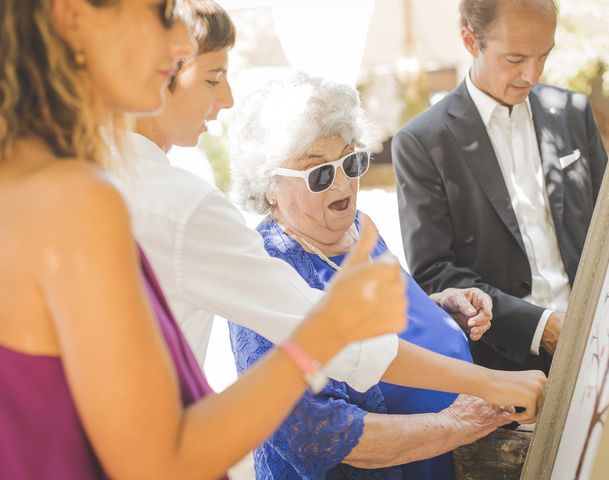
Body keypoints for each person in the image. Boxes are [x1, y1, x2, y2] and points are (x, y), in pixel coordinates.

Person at [0, 1, 411, 478]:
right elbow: (161, 460)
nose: (179, 43)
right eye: (160, 10)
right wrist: (323, 332)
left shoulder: (31, 181)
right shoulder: (81, 199)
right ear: (73, 16)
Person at [120, 3, 546, 424]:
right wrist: (487, 385)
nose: (227, 98)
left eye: (352, 163)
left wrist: (438, 312)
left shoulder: (103, 179)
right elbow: (334, 348)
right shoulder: (188, 210)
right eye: (214, 77)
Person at [226, 72, 538, 479]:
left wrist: (443, 308)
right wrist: (455, 425)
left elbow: (391, 324)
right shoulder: (264, 273)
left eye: (351, 161)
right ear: (269, 186)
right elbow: (316, 434)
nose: (342, 184)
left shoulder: (358, 227)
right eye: (318, 173)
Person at [392, 0, 608, 373]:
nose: (533, 74)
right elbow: (435, 272)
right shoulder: (422, 142)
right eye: (515, 59)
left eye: (544, 56)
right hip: (503, 364)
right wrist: (542, 327)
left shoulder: (573, 112)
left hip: (603, 338)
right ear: (470, 42)